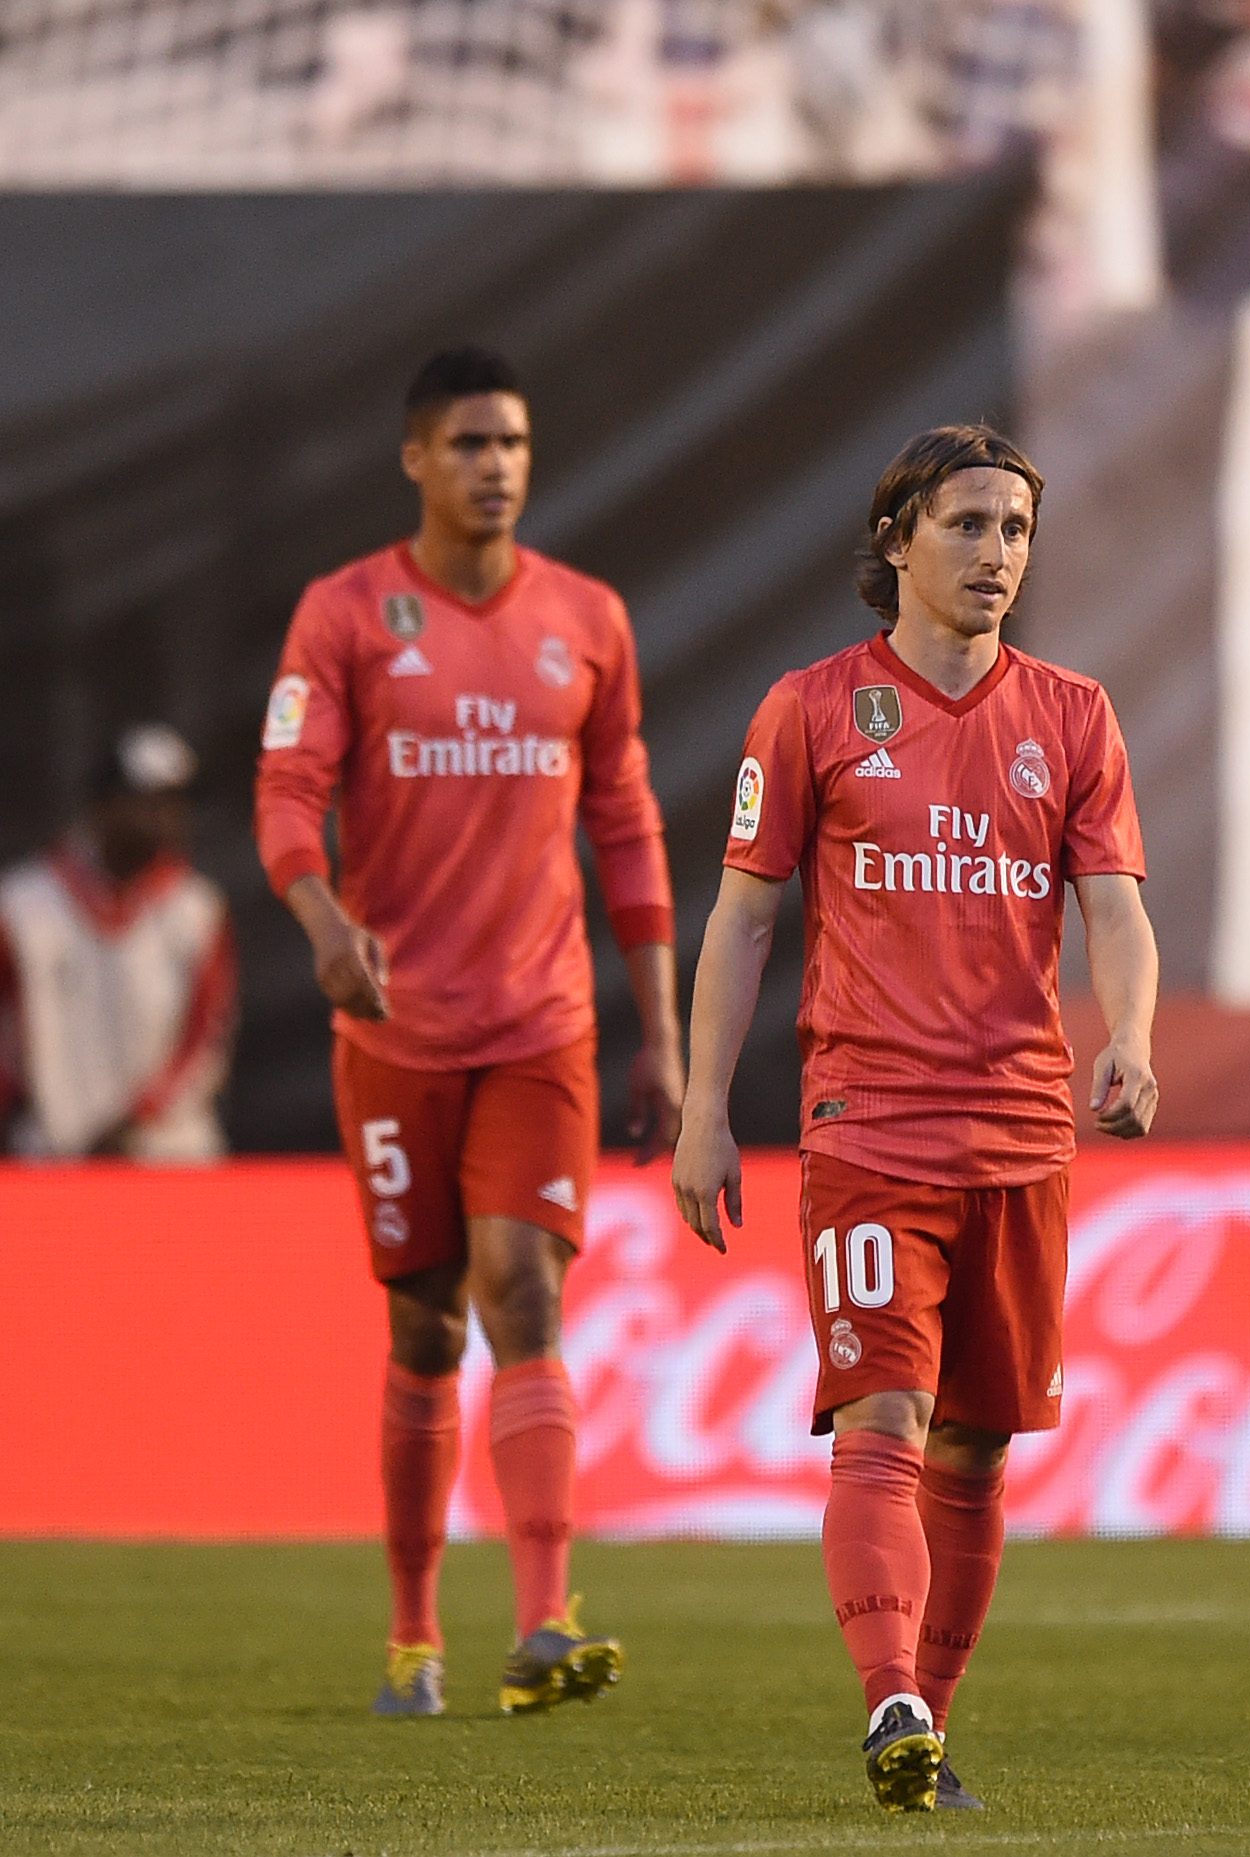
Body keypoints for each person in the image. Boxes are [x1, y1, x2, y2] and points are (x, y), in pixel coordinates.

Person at [671, 424, 1159, 1814]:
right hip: (869, 1120)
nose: (998, 555)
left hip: (1021, 1129)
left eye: (1014, 529)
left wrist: (1127, 1035)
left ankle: (918, 1733)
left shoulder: (1073, 716)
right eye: (968, 526)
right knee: (883, 1409)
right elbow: (745, 917)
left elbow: (1114, 907)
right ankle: (890, 1687)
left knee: (980, 1443)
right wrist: (706, 1108)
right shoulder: (812, 709)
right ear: (896, 539)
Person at [254, 346, 683, 1719]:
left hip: (541, 1023)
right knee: (428, 1329)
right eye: (470, 444)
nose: (497, 465)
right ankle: (412, 1637)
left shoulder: (589, 621)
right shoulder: (346, 615)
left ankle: (549, 1620)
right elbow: (283, 795)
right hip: (395, 1033)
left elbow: (626, 827)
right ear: (416, 459)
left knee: (528, 1290)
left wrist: (661, 1032)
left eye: (513, 443)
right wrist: (324, 922)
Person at [0, 723, 236, 1162]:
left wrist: (138, 1119)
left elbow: (206, 1038)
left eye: (176, 805)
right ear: (104, 804)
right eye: (149, 804)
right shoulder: (24, 904)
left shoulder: (196, 910)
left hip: (169, 1155)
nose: (165, 820)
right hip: (53, 1152)